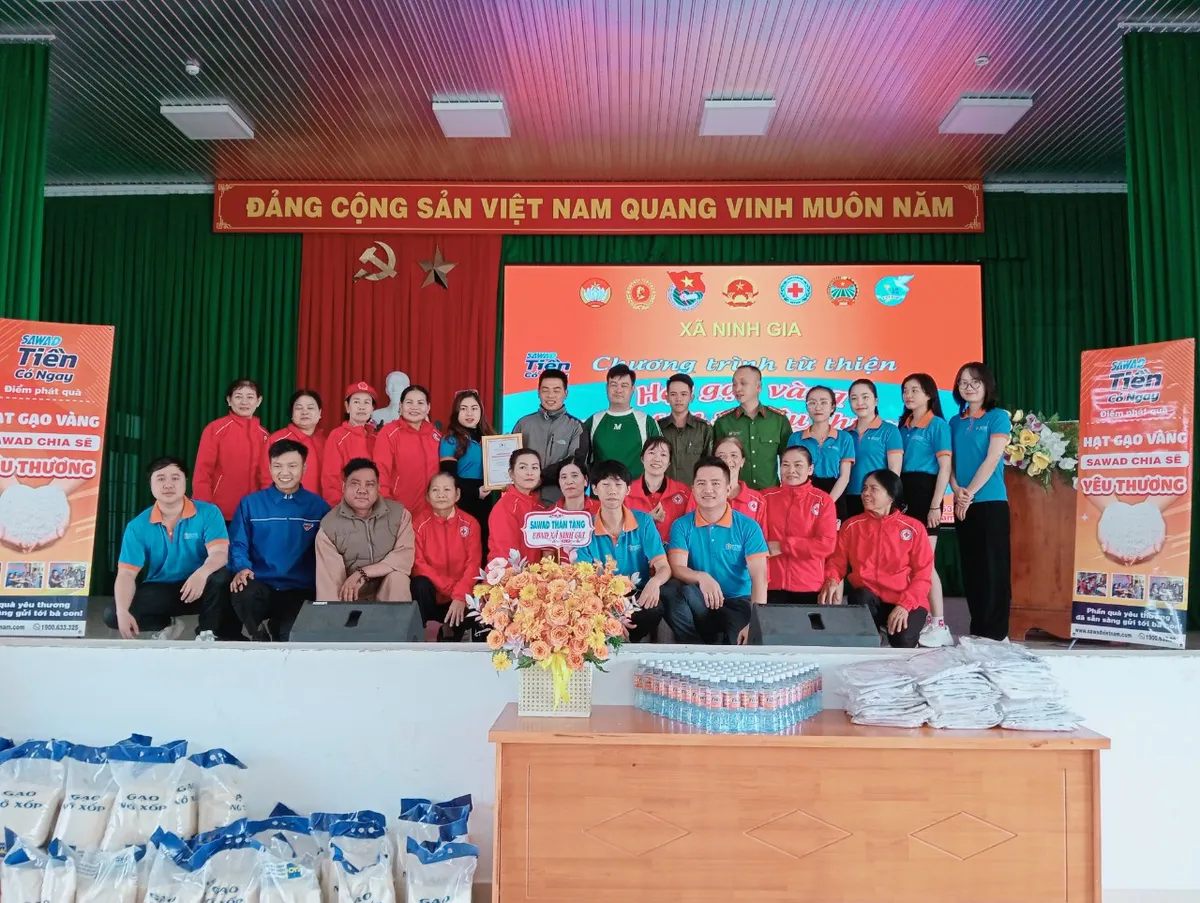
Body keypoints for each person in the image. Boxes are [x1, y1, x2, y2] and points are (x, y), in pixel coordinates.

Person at [107, 456, 238, 642]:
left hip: (203, 586)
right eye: (160, 478)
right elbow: (126, 574)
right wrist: (122, 611)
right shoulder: (137, 526)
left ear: (185, 481)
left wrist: (201, 574)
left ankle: (207, 632)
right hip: (164, 589)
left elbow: (220, 553)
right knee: (113, 614)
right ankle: (167, 624)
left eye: (175, 478)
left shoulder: (209, 512)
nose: (168, 484)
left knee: (221, 577)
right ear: (151, 484)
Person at [229, 439, 329, 641]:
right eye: (278, 466)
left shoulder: (318, 507)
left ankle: (277, 627)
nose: (285, 472)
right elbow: (238, 543)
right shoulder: (250, 503)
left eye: (292, 466)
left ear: (304, 468)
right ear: (269, 468)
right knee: (241, 589)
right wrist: (242, 568)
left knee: (289, 638)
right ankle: (257, 632)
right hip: (261, 582)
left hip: (299, 589)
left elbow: (328, 551)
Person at [819, 469, 932, 648]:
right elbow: (836, 561)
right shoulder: (851, 526)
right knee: (860, 597)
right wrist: (832, 579)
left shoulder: (913, 528)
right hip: (870, 599)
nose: (865, 493)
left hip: (905, 600)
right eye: (864, 488)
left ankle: (897, 632)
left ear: (891, 495)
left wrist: (905, 605)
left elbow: (923, 575)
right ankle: (874, 633)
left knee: (902, 642)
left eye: (873, 489)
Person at [662, 455, 768, 644]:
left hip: (737, 602)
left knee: (737, 644)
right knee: (671, 591)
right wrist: (702, 577)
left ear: (728, 489)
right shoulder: (682, 525)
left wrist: (755, 622)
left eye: (715, 483)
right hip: (701, 599)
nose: (708, 489)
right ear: (693, 489)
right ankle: (692, 649)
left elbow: (759, 577)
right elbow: (677, 568)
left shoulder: (748, 527)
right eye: (701, 483)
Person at [949, 361, 1012, 641]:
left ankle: (997, 634)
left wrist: (969, 494)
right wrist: (956, 490)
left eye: (975, 382)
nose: (969, 387)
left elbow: (993, 458)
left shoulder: (998, 417)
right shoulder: (954, 422)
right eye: (963, 382)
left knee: (993, 569)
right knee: (972, 569)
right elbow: (950, 462)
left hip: (990, 502)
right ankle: (978, 630)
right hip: (962, 502)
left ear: (987, 385)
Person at [576, 460, 669, 643]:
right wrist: (611, 617)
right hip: (599, 599)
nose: (612, 491)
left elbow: (664, 567)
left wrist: (655, 581)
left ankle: (628, 641)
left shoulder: (644, 522)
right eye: (605, 484)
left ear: (628, 489)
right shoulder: (584, 528)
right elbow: (584, 582)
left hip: (635, 596)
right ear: (594, 489)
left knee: (654, 606)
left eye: (618, 485)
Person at [898, 373, 954, 647]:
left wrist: (935, 505)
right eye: (905, 390)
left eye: (915, 390)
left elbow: (945, 468)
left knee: (925, 563)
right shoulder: (903, 426)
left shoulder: (938, 425)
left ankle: (939, 623)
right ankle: (915, 618)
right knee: (905, 562)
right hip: (904, 493)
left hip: (927, 494)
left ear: (929, 394)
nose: (909, 395)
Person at [315, 458, 414, 602]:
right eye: (355, 484)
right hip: (351, 597)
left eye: (369, 484)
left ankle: (398, 618)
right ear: (343, 487)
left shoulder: (399, 515)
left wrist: (363, 572)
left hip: (388, 595)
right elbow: (330, 583)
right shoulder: (329, 527)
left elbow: (403, 557)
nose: (362, 490)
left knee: (398, 578)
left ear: (378, 487)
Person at [411, 472, 482, 642]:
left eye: (447, 489)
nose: (441, 494)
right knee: (419, 583)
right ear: (427, 496)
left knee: (482, 594)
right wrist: (452, 590)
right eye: (435, 490)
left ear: (457, 494)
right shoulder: (418, 523)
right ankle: (425, 631)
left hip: (461, 598)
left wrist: (460, 595)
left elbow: (473, 564)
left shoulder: (470, 523)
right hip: (435, 597)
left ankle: (453, 629)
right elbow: (418, 564)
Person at [762, 446, 837, 604]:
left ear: (810, 469)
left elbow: (826, 545)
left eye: (798, 465)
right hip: (770, 583)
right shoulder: (765, 497)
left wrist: (783, 546)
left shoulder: (823, 501)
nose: (791, 470)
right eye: (785, 465)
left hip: (808, 584)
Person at [193, 379, 270, 521]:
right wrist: (205, 508)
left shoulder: (264, 435)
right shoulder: (215, 429)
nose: (244, 402)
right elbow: (203, 472)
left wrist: (266, 507)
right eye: (238, 396)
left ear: (259, 401)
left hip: (254, 513)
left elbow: (266, 476)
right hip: (219, 513)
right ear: (229, 400)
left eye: (250, 397)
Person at [514, 368, 589, 505]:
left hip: (562, 502)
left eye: (556, 390)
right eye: (545, 390)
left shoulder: (576, 427)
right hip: (525, 500)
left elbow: (575, 462)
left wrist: (540, 478)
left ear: (565, 393)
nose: (550, 395)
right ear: (538, 392)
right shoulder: (523, 424)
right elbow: (511, 459)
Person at [712, 365, 793, 490]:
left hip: (769, 493)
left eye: (743, 383)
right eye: (734, 384)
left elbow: (788, 460)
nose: (737, 388)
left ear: (758, 387)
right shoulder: (723, 422)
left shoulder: (778, 420)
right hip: (734, 494)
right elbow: (716, 463)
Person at [439, 389, 495, 557]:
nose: (469, 413)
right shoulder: (450, 440)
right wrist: (474, 492)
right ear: (456, 413)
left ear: (481, 411)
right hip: (463, 500)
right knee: (465, 549)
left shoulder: (491, 438)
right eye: (463, 408)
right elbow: (448, 477)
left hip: (490, 499)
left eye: (474, 408)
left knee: (486, 546)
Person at [582, 364, 662, 478]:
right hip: (601, 488)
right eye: (613, 384)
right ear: (607, 387)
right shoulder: (593, 421)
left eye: (624, 385)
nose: (618, 390)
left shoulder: (646, 421)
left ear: (632, 389)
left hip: (637, 489)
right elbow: (582, 462)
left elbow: (659, 461)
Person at [789, 385, 855, 519]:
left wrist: (827, 502)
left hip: (834, 495)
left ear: (832, 407)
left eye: (823, 402)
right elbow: (790, 473)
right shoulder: (796, 438)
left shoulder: (844, 438)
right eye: (812, 402)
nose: (818, 407)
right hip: (803, 496)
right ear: (807, 407)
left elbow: (844, 477)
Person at [844, 378, 903, 519]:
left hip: (877, 500)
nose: (860, 402)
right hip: (848, 497)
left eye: (865, 397)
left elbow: (894, 471)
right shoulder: (845, 434)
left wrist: (888, 499)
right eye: (854, 398)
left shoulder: (889, 431)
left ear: (876, 401)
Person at [377, 384, 441, 513]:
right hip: (399, 509)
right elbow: (380, 470)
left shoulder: (435, 435)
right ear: (401, 406)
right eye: (409, 402)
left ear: (428, 407)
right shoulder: (389, 432)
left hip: (431, 510)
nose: (415, 407)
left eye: (420, 403)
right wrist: (387, 504)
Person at [688, 436, 769, 533]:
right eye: (721, 456)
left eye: (733, 455)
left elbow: (761, 538)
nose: (727, 460)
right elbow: (689, 530)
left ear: (742, 461)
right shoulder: (700, 494)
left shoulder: (757, 500)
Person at [321, 382, 379, 506]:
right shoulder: (337, 436)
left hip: (374, 506)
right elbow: (330, 478)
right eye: (356, 402)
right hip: (347, 507)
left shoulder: (377, 438)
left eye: (367, 402)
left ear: (372, 409)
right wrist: (340, 508)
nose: (361, 407)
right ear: (347, 407)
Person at [625, 436, 691, 543]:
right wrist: (646, 521)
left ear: (669, 462)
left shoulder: (684, 492)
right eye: (651, 452)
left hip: (674, 551)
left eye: (663, 455)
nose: (657, 459)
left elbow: (691, 530)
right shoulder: (625, 492)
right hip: (636, 551)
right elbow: (618, 532)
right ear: (642, 458)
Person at [261, 389, 326, 496]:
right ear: (291, 413)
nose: (305, 412)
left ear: (319, 413)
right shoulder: (277, 440)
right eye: (299, 408)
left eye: (310, 408)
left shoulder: (326, 442)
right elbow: (267, 479)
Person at [488, 448, 546, 563]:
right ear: (511, 473)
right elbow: (506, 555)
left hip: (535, 573)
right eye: (523, 467)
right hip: (509, 572)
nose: (529, 472)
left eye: (534, 467)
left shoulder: (541, 507)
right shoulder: (505, 507)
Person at [656, 373, 712, 483]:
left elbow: (710, 464)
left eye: (683, 394)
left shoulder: (704, 428)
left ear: (691, 397)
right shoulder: (657, 427)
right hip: (664, 490)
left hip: (694, 490)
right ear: (667, 398)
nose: (678, 399)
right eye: (673, 394)